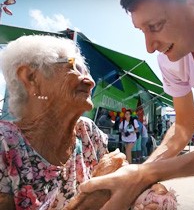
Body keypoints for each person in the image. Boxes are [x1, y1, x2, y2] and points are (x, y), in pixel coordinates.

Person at [80, 0, 194, 209]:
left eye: (155, 26)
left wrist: (151, 173)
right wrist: (138, 175)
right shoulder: (171, 59)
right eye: (142, 31)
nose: (150, 47)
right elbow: (184, 124)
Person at [0, 35, 111, 209]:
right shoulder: (4, 145)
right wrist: (92, 200)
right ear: (31, 78)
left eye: (86, 71)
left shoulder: (88, 132)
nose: (91, 82)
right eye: (74, 67)